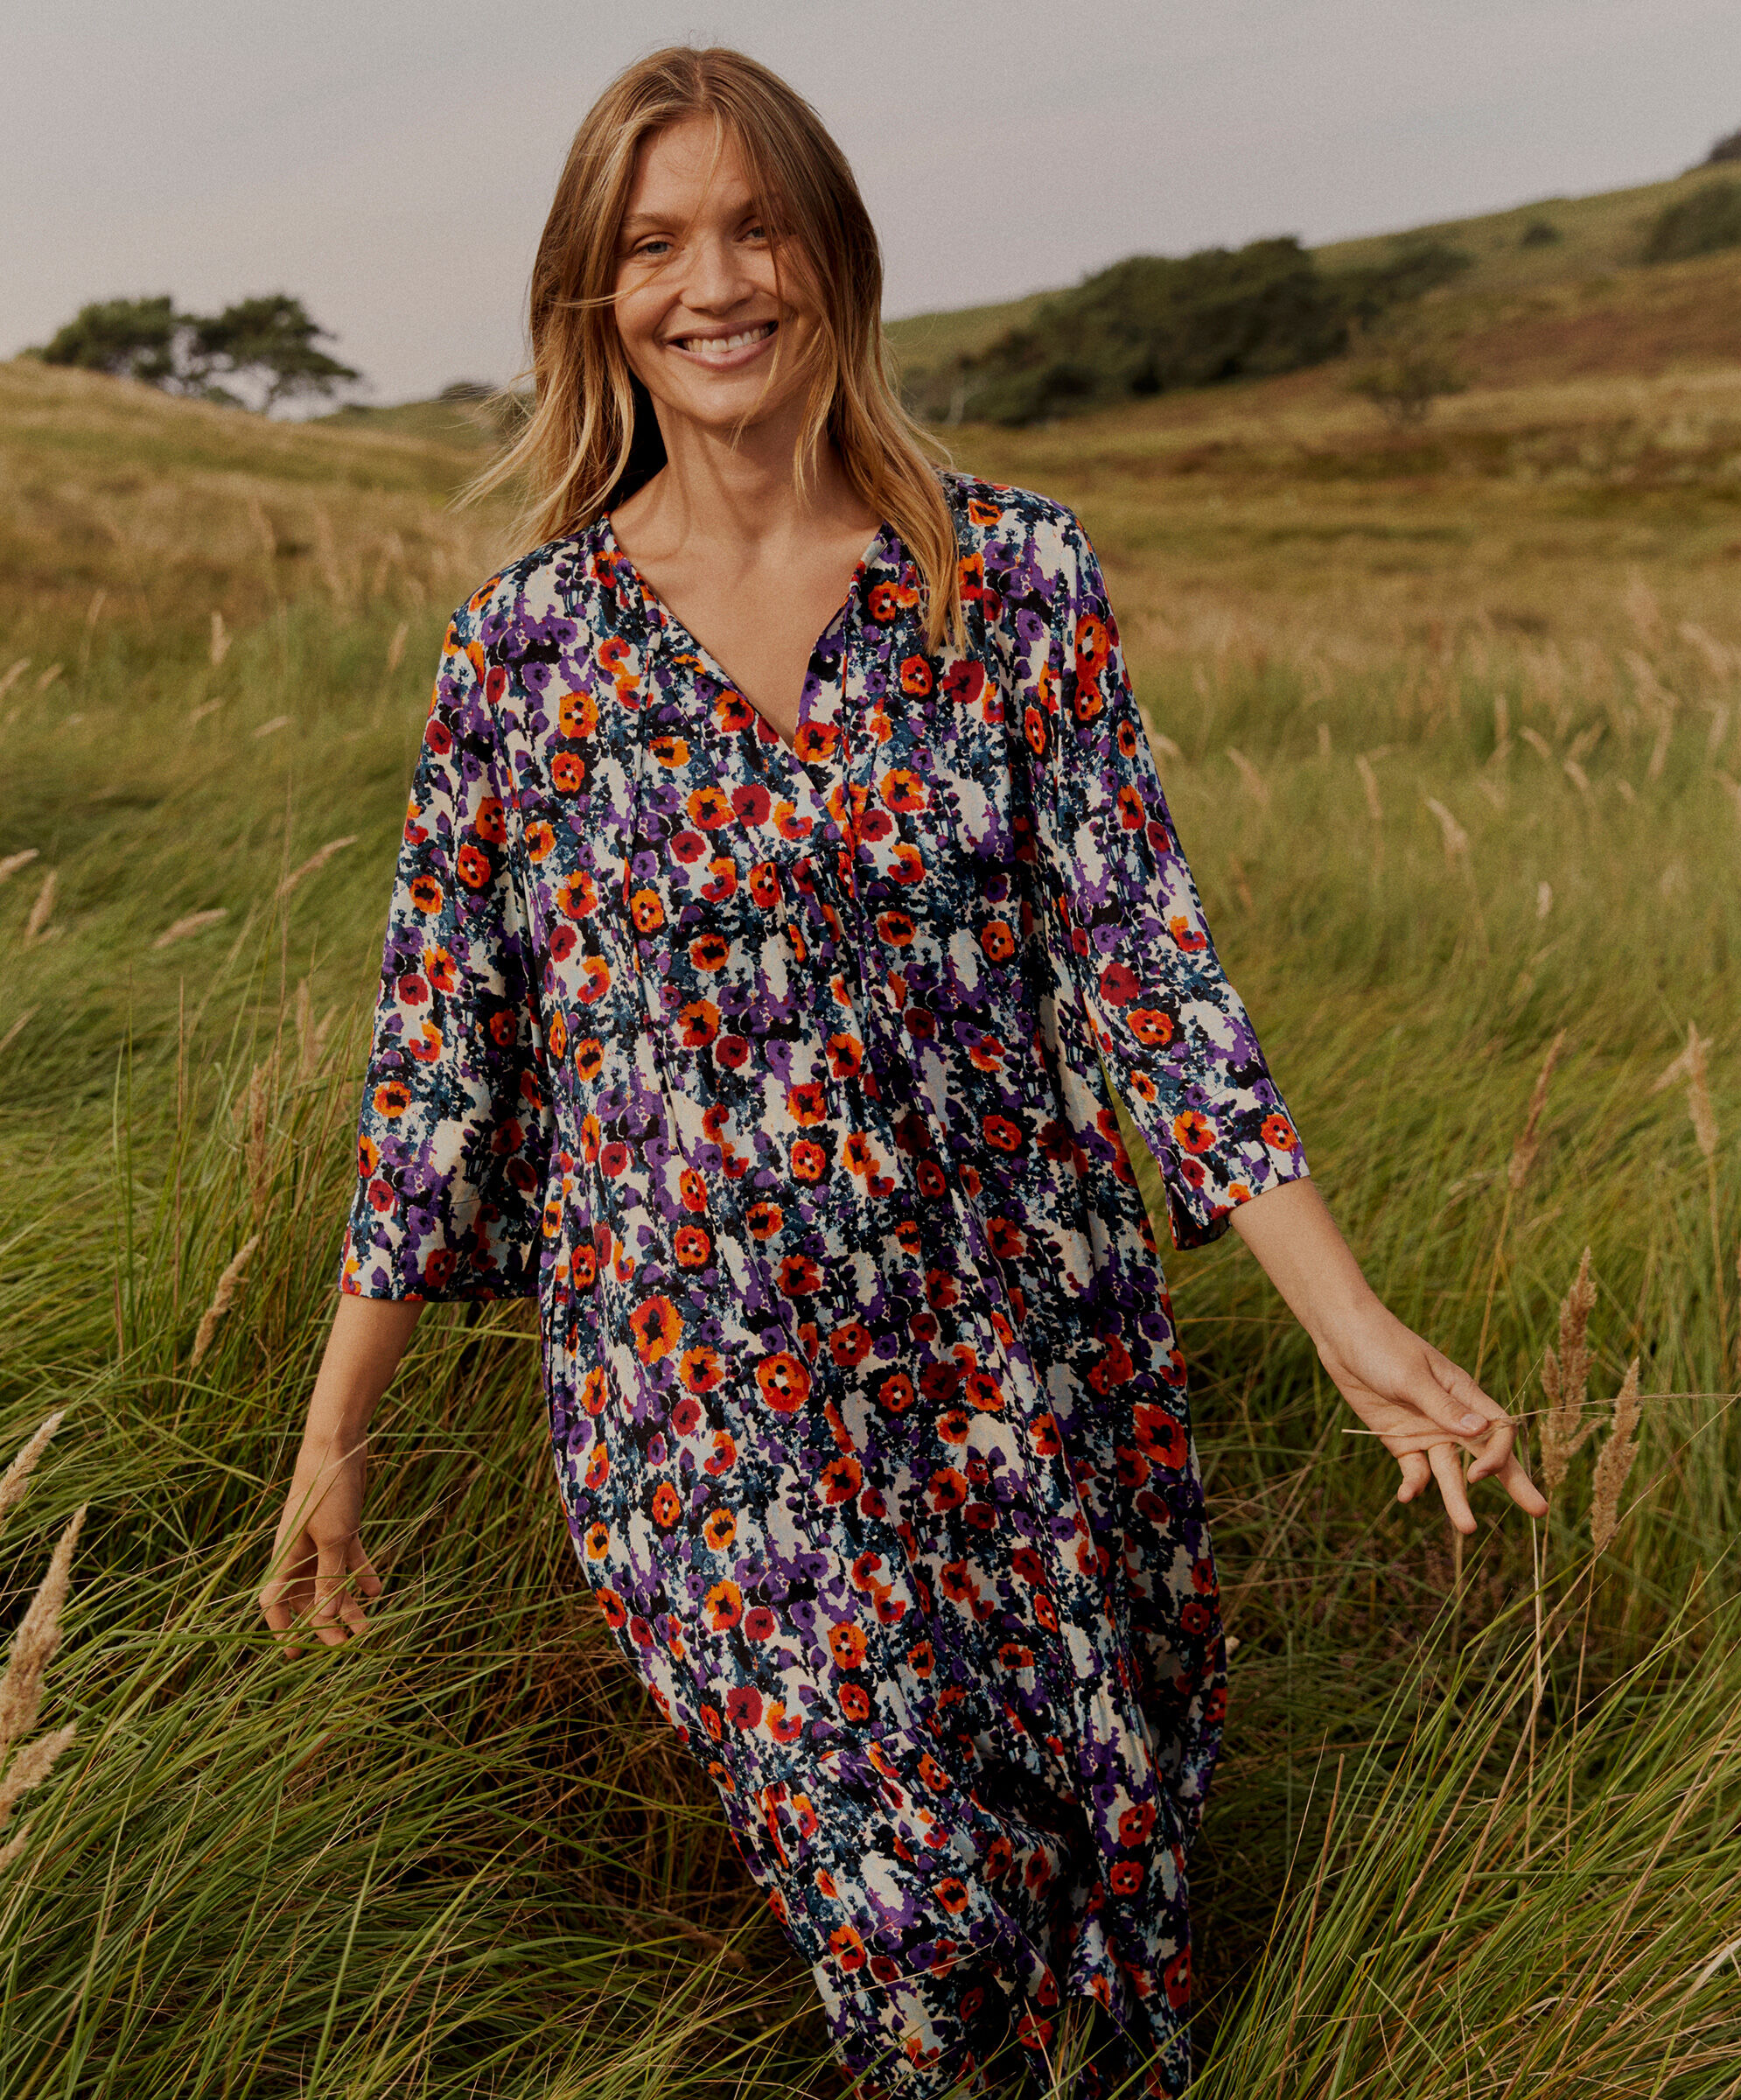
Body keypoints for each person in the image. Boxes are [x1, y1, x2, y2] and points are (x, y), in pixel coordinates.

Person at [258, 45, 1547, 2100]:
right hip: (702, 1405)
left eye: (758, 223)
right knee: (922, 1925)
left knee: (1098, 1907)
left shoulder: (1005, 581)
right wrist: (337, 1440)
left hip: (1024, 1366)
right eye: (655, 241)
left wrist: (1351, 1321)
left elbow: (1153, 978)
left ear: (833, 255)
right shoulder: (524, 655)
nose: (715, 280)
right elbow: (442, 1070)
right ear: (594, 296)